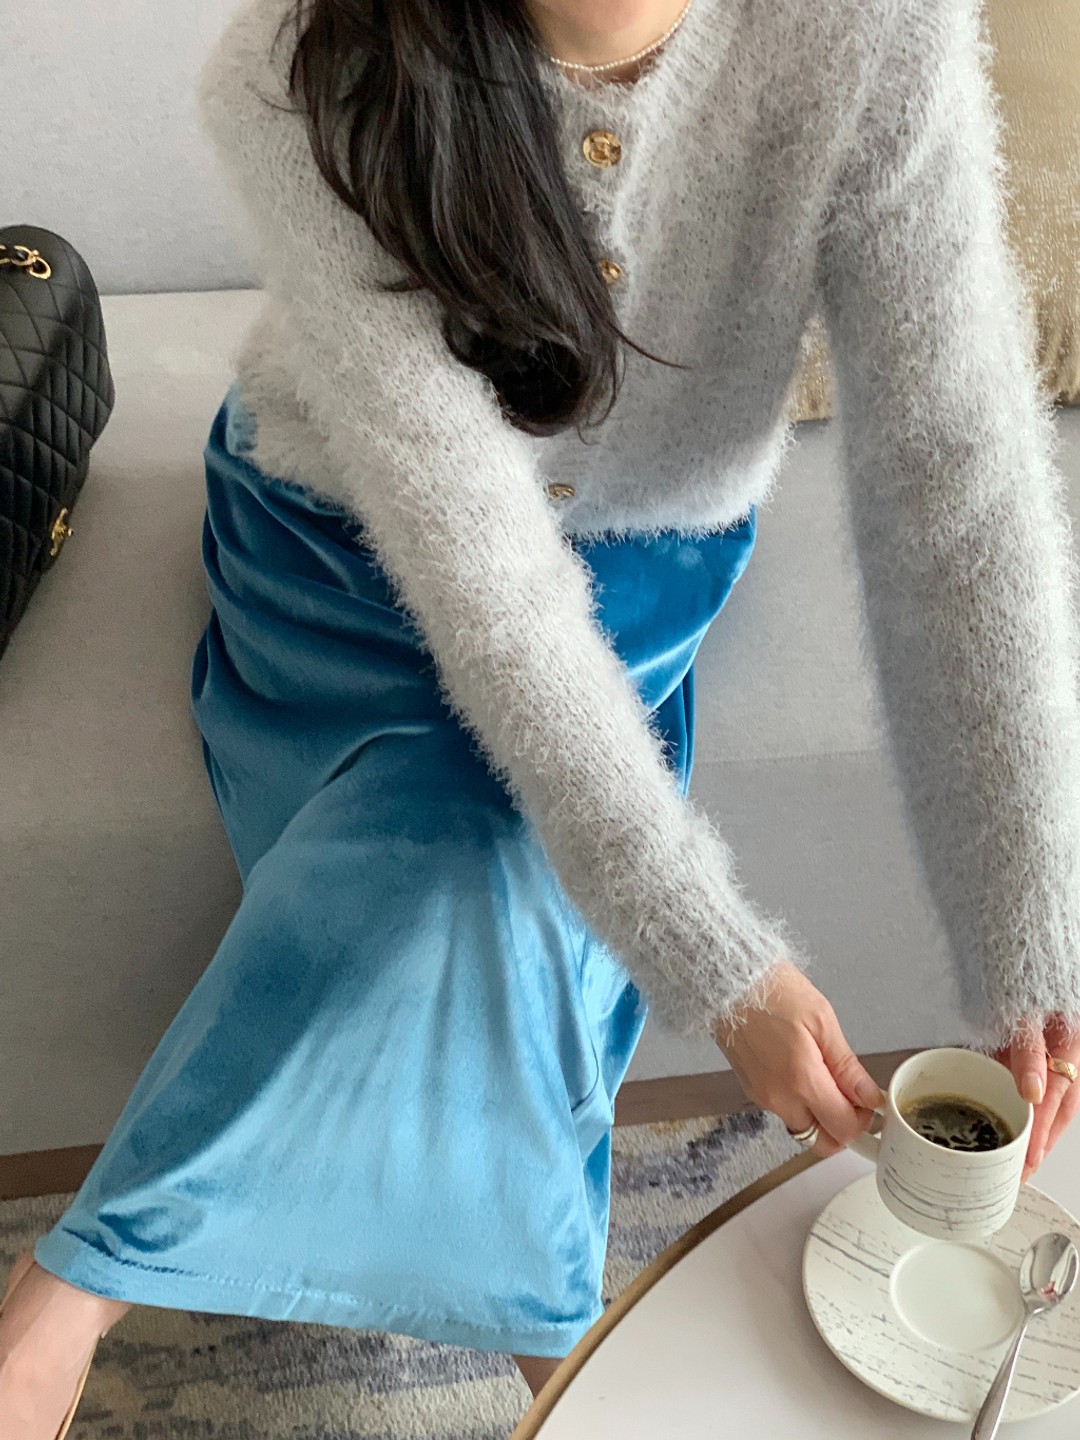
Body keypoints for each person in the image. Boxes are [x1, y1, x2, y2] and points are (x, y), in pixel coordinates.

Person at [4, 0, 1080, 1430]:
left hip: (647, 570)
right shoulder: (301, 62)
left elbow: (957, 477)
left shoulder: (873, 31)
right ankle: (503, 1348)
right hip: (343, 540)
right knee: (482, 852)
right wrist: (719, 967)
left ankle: (76, 1294)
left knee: (493, 857)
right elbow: (483, 574)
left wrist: (1031, 932)